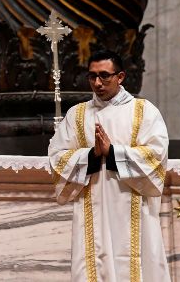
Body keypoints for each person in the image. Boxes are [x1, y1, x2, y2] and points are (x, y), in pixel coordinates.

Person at [48, 50, 171, 281]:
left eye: (104, 75)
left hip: (134, 206)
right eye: (92, 76)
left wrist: (113, 152)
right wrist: (92, 156)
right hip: (91, 205)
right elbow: (57, 156)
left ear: (121, 76)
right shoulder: (77, 114)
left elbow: (156, 155)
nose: (97, 82)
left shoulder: (144, 111)